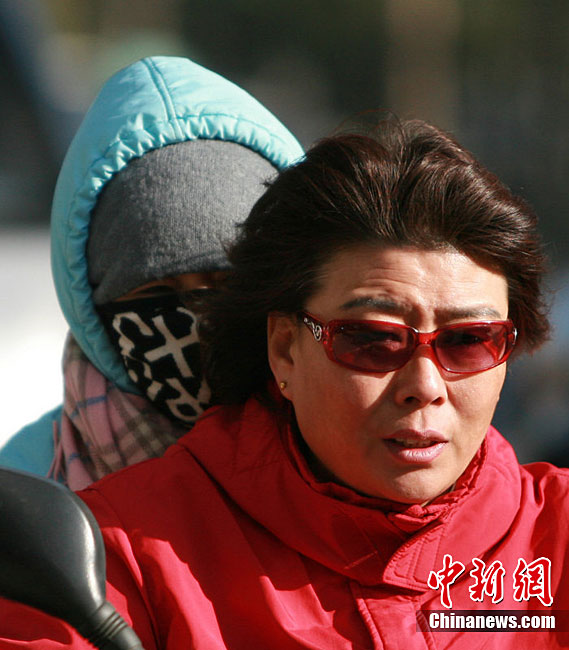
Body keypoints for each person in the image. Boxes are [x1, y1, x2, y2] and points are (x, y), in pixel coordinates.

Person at [2, 117, 568, 649]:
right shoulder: (117, 560)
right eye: (372, 339)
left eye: (469, 341)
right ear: (284, 350)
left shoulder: (558, 533)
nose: (424, 385)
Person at [0, 55, 303, 489]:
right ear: (93, 305)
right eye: (157, 288)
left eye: (225, 282)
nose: (198, 318)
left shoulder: (358, 449)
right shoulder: (28, 490)